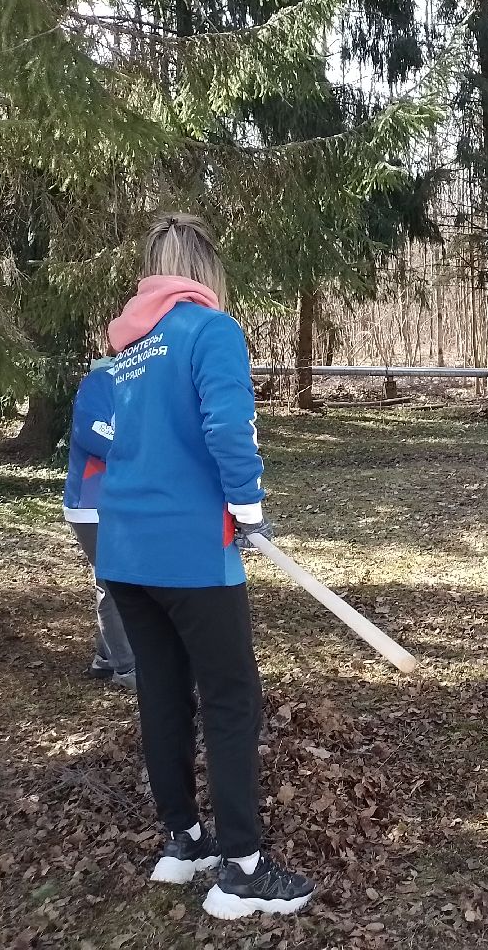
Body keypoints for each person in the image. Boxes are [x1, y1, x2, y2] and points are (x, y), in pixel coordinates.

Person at [97, 214, 314, 920]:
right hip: (191, 550)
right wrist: (248, 508)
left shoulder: (125, 348)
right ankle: (243, 868)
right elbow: (228, 425)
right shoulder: (209, 329)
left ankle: (182, 842)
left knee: (161, 689)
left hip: (125, 550)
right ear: (205, 271)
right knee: (230, 699)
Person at [62, 356, 136, 691]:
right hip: (93, 502)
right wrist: (139, 453)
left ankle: (107, 656)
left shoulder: (145, 381)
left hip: (123, 501)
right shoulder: (102, 380)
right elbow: (91, 430)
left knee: (117, 578)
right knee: (117, 583)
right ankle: (127, 667)